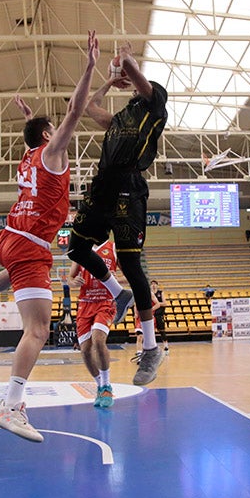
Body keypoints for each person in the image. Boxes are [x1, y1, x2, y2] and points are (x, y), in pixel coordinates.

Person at [0, 31, 99, 443]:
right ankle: (10, 405)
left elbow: (38, 129)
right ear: (46, 137)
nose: (60, 131)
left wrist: (28, 115)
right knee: (38, 330)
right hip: (28, 244)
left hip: (9, 236)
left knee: (22, 270)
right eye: (53, 129)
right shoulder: (51, 153)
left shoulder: (27, 154)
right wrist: (90, 67)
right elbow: (75, 110)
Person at [67, 40, 169, 387]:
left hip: (129, 189)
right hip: (101, 190)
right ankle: (118, 292)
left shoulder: (155, 107)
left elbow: (144, 84)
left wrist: (126, 61)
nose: (139, 89)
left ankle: (152, 348)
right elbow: (89, 106)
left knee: (131, 263)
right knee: (75, 248)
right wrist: (109, 81)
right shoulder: (118, 119)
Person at [68, 240, 119, 408]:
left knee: (98, 340)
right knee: (85, 350)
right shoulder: (81, 247)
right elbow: (70, 277)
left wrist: (118, 279)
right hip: (85, 303)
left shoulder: (113, 247)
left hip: (105, 301)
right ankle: (99, 386)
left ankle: (107, 386)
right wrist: (73, 282)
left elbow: (128, 275)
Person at [150, 279, 169, 353]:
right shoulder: (150, 294)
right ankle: (152, 347)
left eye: (155, 284)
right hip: (152, 315)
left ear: (157, 285)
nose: (153, 285)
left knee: (162, 331)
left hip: (159, 314)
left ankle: (166, 346)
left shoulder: (160, 293)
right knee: (151, 332)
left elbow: (165, 303)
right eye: (152, 284)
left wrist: (157, 303)